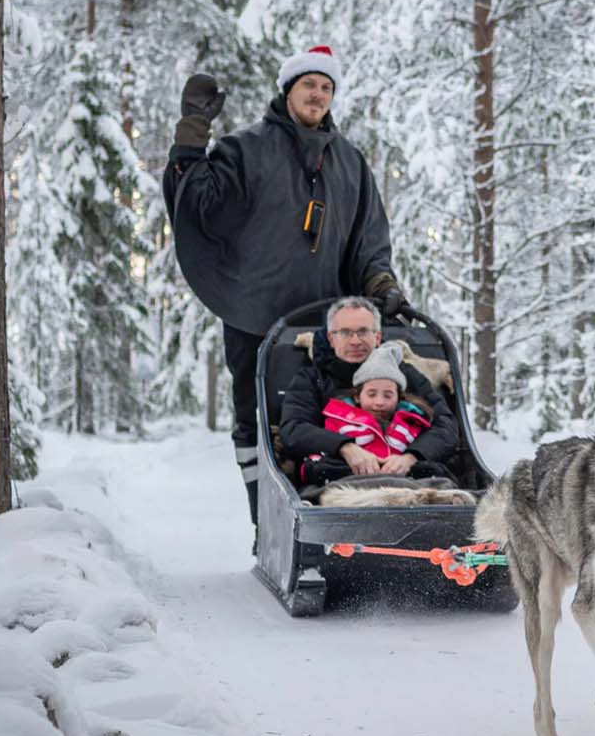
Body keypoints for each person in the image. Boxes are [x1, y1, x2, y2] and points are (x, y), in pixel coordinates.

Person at [162, 46, 409, 526]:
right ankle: (266, 525)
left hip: (328, 329)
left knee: (324, 421)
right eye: (308, 85)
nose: (317, 95)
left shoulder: (350, 163)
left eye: (326, 87)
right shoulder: (246, 148)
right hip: (255, 317)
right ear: (288, 89)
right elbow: (196, 202)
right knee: (255, 421)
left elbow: (369, 238)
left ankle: (328, 520)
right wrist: (192, 133)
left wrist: (381, 282)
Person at [282, 299, 459, 488]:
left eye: (364, 331)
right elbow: (294, 428)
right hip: (338, 471)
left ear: (377, 336)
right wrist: (345, 448)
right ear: (331, 339)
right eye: (345, 332)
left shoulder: (404, 374)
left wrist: (411, 456)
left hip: (406, 470)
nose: (355, 341)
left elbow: (446, 425)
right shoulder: (311, 378)